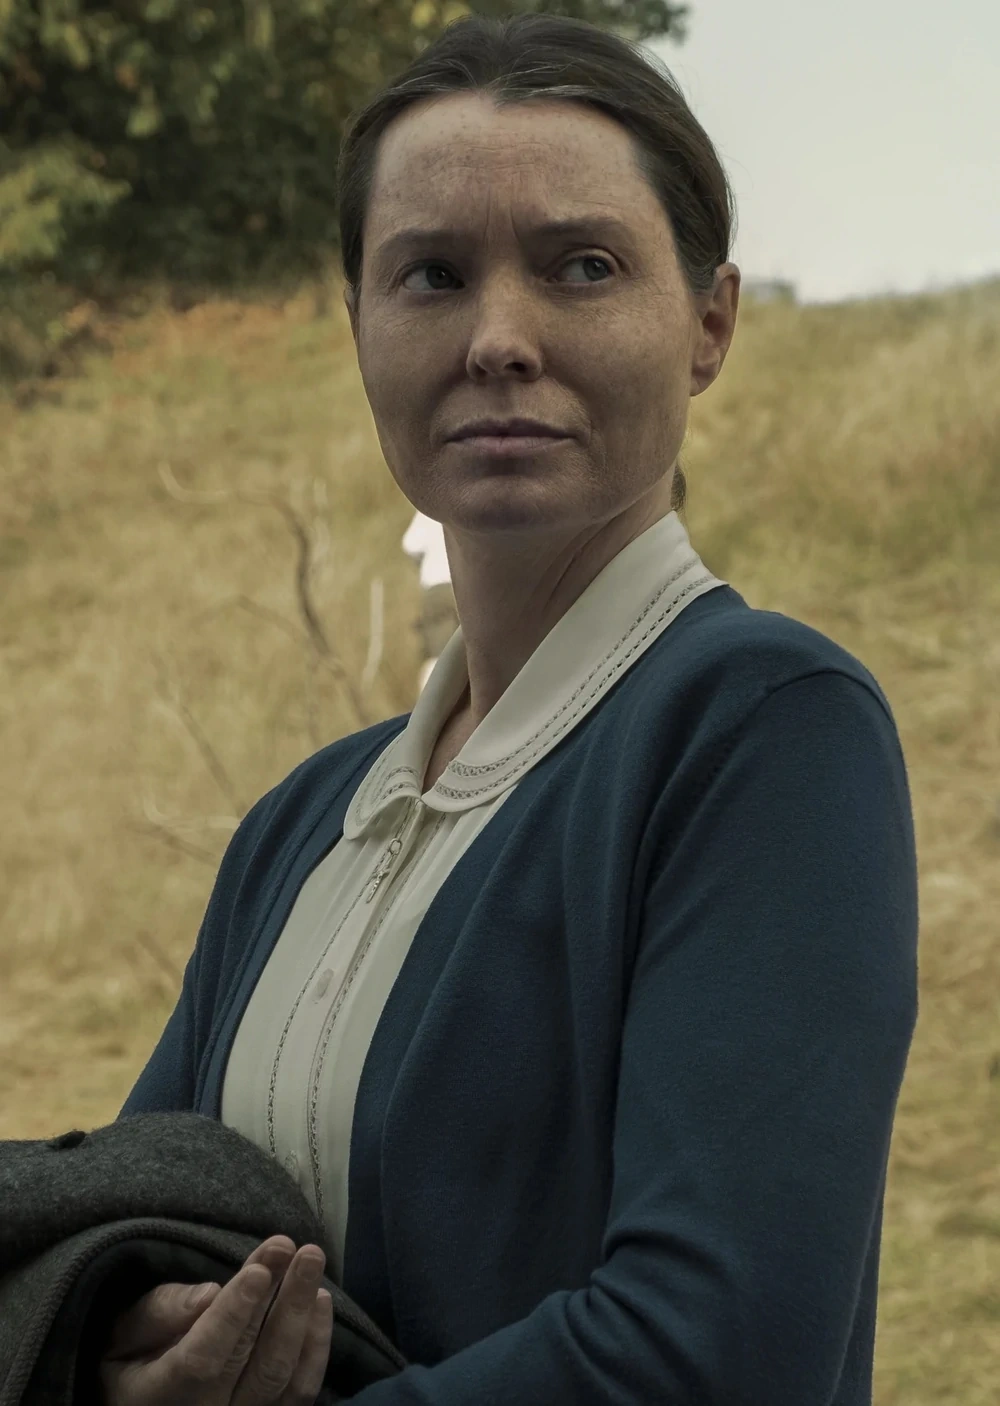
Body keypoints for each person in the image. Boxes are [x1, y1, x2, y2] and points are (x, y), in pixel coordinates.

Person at [103, 12, 919, 1406]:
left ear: (709, 322)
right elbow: (111, 1234)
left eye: (581, 266)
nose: (497, 339)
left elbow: (713, 1352)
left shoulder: (766, 730)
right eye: (430, 274)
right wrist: (116, 1356)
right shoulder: (299, 825)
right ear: (358, 324)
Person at [401, 510, 457, 698]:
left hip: (437, 588)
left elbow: (409, 544)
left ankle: (431, 705)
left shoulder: (429, 506)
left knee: (438, 654)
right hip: (471, 586)